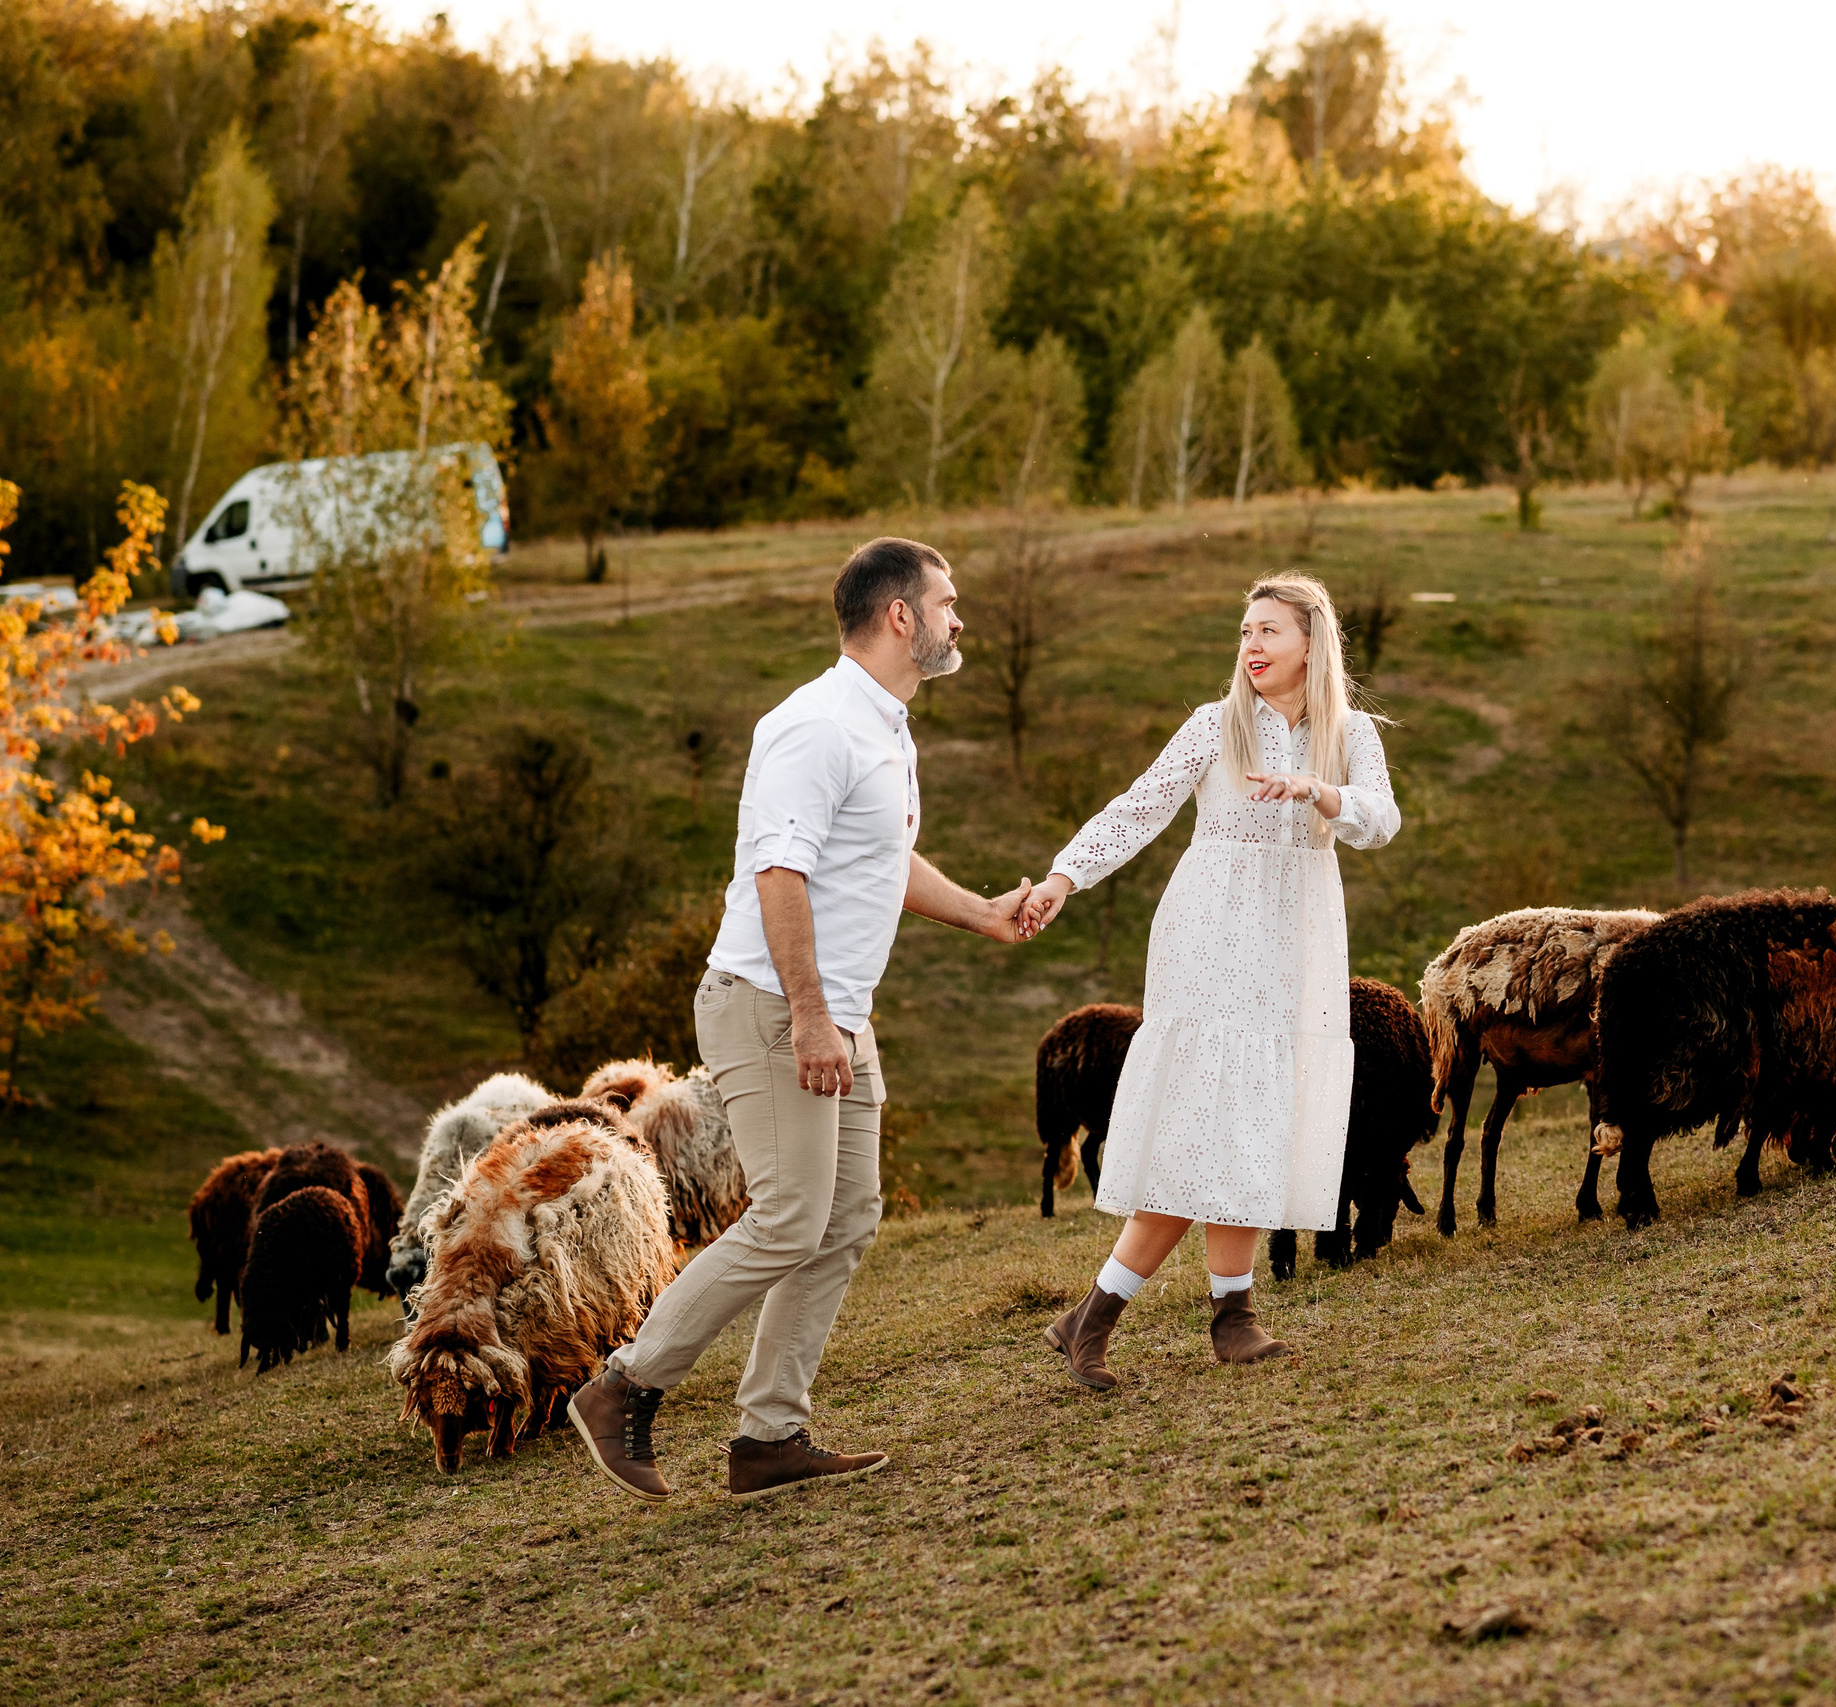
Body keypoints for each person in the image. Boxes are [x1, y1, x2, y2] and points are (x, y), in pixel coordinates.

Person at [570, 537, 1033, 1502]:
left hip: (834, 1012)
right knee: (788, 1216)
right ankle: (623, 1387)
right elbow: (778, 874)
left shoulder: (884, 727)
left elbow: (880, 861)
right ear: (900, 615)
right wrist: (815, 1018)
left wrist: (983, 913)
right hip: (775, 1005)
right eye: (947, 602)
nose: (959, 619)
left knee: (846, 1213)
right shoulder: (816, 725)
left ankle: (769, 1435)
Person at [1016, 573, 1399, 1391]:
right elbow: (1137, 808)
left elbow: (1381, 821)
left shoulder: (1350, 732)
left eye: (1269, 630)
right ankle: (1098, 1317)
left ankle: (1232, 1315)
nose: (1251, 644)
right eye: (1245, 631)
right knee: (1201, 1125)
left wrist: (1320, 790)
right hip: (1211, 937)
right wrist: (1062, 877)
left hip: (1297, 942)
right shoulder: (1213, 725)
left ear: (1311, 644)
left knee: (1257, 1118)